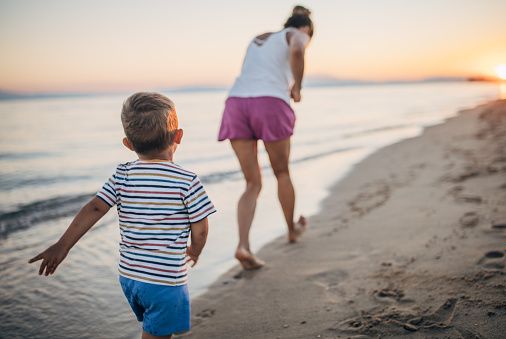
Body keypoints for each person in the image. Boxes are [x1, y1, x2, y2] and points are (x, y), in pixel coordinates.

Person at [28, 92, 216, 339]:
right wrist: (195, 250)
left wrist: (62, 246)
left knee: (152, 326)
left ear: (128, 143)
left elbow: (94, 208)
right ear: (178, 136)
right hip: (164, 281)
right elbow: (200, 228)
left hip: (129, 278)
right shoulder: (187, 181)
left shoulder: (122, 175)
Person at [217, 6, 313, 270]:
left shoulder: (259, 37)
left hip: (236, 103)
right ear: (306, 29)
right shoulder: (299, 33)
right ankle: (291, 230)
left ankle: (243, 245)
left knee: (252, 183)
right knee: (281, 172)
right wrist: (298, 86)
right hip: (270, 103)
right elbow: (296, 50)